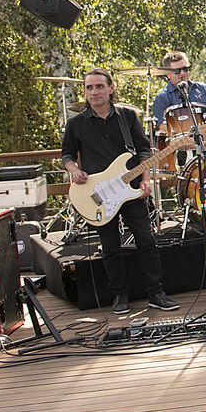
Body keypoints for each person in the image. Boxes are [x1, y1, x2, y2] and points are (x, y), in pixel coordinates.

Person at [61, 68, 179, 315]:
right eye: (89, 87)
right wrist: (73, 170)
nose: (94, 92)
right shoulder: (76, 124)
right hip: (98, 194)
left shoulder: (127, 117)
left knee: (146, 241)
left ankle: (156, 293)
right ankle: (119, 295)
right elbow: (68, 154)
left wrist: (146, 180)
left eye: (99, 86)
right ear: (84, 91)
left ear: (111, 88)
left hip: (130, 190)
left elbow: (143, 152)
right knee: (111, 247)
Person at [150, 50, 206, 124]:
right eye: (177, 71)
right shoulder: (162, 98)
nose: (182, 73)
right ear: (168, 74)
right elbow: (163, 126)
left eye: (185, 69)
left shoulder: (203, 88)